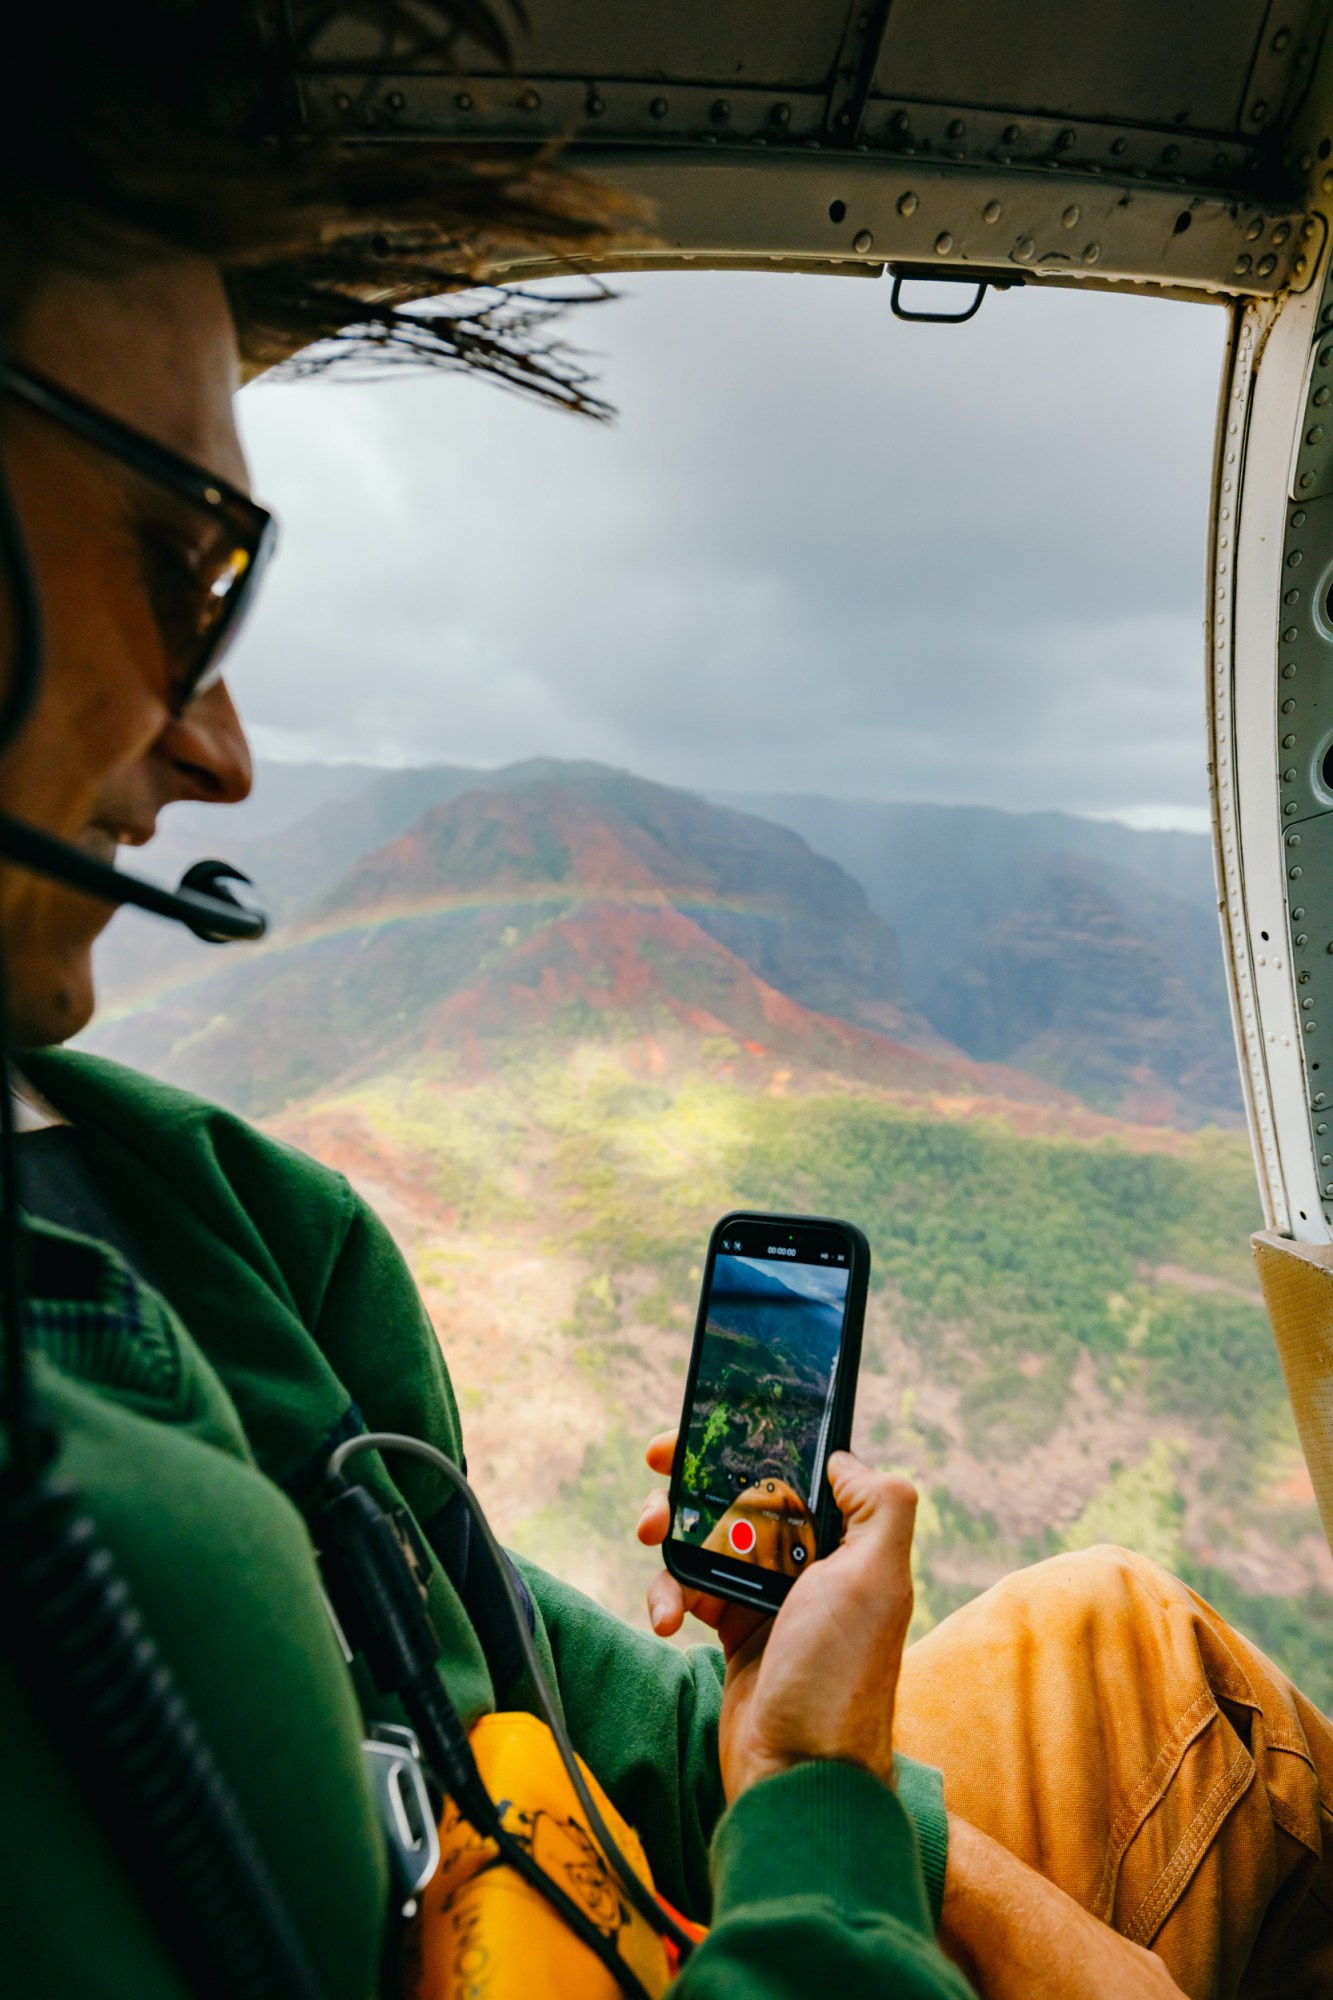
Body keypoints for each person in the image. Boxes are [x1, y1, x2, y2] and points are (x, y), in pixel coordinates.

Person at [1, 9, 1329, 2000]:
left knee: (1135, 1647)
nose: (224, 748)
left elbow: (497, 1662)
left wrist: (786, 1737)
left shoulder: (198, 1207)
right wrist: (807, 1787)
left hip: (614, 1861)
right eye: (184, 568)